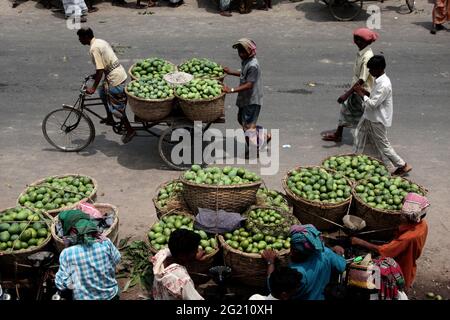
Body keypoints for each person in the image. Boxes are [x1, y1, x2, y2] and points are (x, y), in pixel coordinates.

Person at [352, 55, 412, 176]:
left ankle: (403, 165)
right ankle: (369, 161)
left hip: (377, 119)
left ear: (379, 69)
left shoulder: (384, 85)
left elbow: (373, 104)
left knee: (383, 145)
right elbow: (375, 97)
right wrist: (365, 92)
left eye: (371, 69)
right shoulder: (379, 80)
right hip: (371, 117)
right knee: (364, 137)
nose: (369, 72)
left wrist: (360, 94)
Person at [77, 28, 136, 143]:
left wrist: (92, 88)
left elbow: (100, 69)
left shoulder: (94, 48)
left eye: (80, 37)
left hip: (115, 78)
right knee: (102, 92)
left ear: (86, 37)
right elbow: (105, 63)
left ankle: (130, 130)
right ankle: (110, 118)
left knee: (117, 108)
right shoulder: (100, 41)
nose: (79, 40)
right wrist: (96, 76)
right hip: (116, 72)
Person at [322, 28, 379, 143]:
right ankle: (338, 134)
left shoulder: (367, 56)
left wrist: (346, 94)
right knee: (346, 107)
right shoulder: (362, 52)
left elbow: (362, 79)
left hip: (363, 91)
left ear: (366, 42)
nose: (356, 42)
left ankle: (375, 138)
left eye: (358, 40)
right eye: (355, 39)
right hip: (356, 89)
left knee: (366, 114)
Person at [351, 207, 428, 290]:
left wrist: (359, 242)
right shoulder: (423, 224)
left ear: (409, 219)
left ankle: (400, 290)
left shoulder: (407, 238)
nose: (400, 216)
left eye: (403, 215)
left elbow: (384, 250)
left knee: (396, 285)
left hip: (402, 265)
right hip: (411, 258)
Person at [262, 225, 346, 300]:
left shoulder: (296, 274)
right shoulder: (325, 253)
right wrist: (336, 253)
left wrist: (270, 262)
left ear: (293, 251)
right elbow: (341, 266)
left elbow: (273, 287)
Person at [54, 210, 121, 300]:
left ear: (72, 230)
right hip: (111, 295)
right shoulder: (105, 243)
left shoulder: (67, 254)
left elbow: (61, 285)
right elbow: (117, 259)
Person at [223, 38, 270, 152]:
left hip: (252, 100)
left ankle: (255, 148)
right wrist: (231, 72)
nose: (241, 54)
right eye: (239, 52)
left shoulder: (253, 65)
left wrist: (231, 90)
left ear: (250, 51)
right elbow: (244, 74)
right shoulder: (247, 61)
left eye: (243, 52)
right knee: (242, 121)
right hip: (245, 99)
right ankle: (264, 135)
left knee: (248, 127)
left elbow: (249, 84)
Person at [151, 229, 205, 300]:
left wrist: (193, 255)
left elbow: (170, 250)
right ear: (183, 256)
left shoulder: (161, 255)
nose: (197, 251)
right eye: (195, 251)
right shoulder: (182, 279)